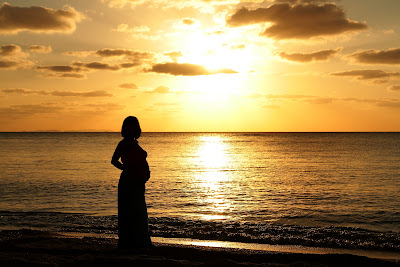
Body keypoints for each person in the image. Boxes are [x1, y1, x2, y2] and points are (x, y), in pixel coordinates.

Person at [111, 116, 152, 249]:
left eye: (135, 125)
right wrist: (128, 169)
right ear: (125, 128)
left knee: (138, 211)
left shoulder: (134, 143)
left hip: (138, 182)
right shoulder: (123, 143)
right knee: (132, 211)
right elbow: (114, 160)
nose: (133, 128)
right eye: (129, 125)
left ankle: (140, 240)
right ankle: (131, 242)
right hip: (129, 182)